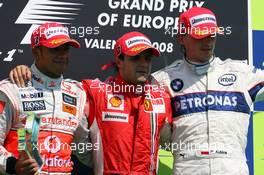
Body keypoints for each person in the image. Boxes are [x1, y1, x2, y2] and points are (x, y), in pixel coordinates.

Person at [9, 31, 172, 174]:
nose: (143, 63)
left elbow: (174, 139)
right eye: (136, 58)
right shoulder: (94, 91)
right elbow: (52, 86)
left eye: (148, 58)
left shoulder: (161, 98)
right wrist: (27, 71)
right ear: (119, 61)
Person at [152, 6, 264, 174]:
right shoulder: (162, 80)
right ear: (181, 37)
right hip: (188, 166)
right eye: (201, 36)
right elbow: (153, 130)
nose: (208, 42)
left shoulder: (240, 73)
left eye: (212, 35)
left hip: (231, 166)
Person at [0, 22, 90, 174]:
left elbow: (83, 148)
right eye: (55, 49)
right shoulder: (12, 88)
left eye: (66, 49)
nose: (62, 55)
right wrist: (11, 165)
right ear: (36, 53)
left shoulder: (77, 92)